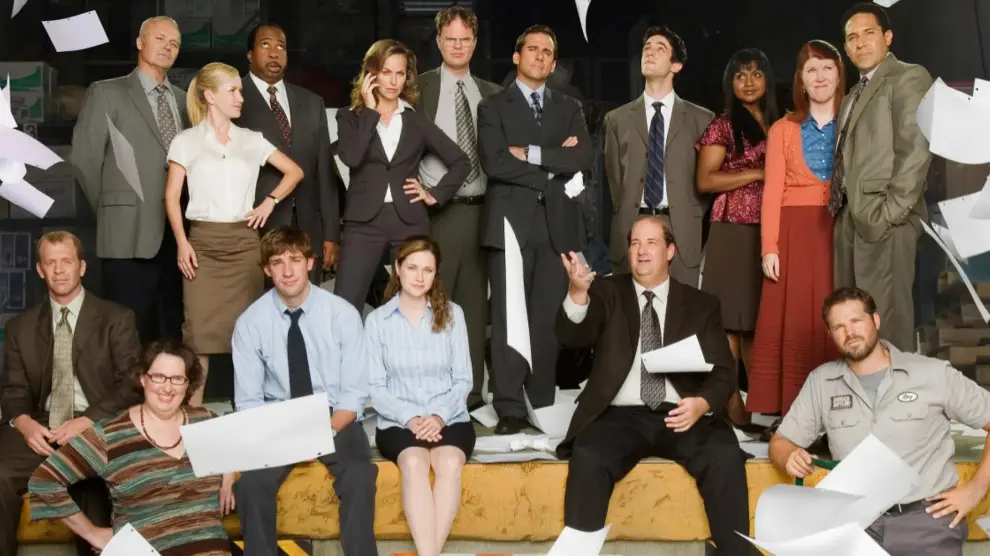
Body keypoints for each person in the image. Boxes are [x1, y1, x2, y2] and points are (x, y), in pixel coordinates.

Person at [554, 216, 755, 556]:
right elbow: (573, 337)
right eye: (635, 243)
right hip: (620, 417)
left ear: (670, 251)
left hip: (683, 413)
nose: (641, 251)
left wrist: (702, 403)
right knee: (588, 456)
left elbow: (723, 372)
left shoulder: (701, 304)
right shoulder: (605, 292)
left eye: (651, 243)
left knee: (724, 455)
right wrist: (577, 292)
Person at [770, 287, 990, 555]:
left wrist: (975, 490)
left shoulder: (932, 373)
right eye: (839, 326)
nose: (849, 332)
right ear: (830, 334)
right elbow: (781, 442)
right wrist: (788, 456)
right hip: (856, 527)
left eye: (856, 321)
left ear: (875, 320)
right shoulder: (822, 382)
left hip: (927, 523)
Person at [231, 227, 377, 556]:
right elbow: (249, 403)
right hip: (277, 420)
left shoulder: (342, 314)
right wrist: (287, 435)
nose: (287, 271)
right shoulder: (250, 323)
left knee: (359, 476)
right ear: (267, 270)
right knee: (252, 484)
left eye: (295, 260)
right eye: (277, 262)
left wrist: (322, 434)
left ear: (310, 263)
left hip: (334, 418)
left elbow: (353, 396)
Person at [166, 62, 303, 406]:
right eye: (233, 91)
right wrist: (182, 242)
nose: (241, 97)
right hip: (202, 246)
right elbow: (171, 196)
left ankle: (251, 416)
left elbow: (294, 172)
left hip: (244, 246)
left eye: (240, 91)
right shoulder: (185, 141)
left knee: (250, 336)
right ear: (210, 96)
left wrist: (270, 201)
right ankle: (193, 419)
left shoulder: (251, 140)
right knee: (198, 338)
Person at [478, 25, 592, 434]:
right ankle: (510, 407)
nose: (540, 56)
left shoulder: (569, 106)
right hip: (510, 225)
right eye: (532, 49)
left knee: (546, 321)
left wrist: (528, 152)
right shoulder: (493, 106)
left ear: (554, 62)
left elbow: (582, 157)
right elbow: (495, 162)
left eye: (547, 52)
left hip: (556, 226)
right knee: (509, 317)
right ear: (516, 56)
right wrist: (550, 170)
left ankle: (540, 402)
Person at [0, 231, 141, 556]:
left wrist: (89, 420)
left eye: (66, 261)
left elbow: (132, 385)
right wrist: (23, 422)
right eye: (51, 263)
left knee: (93, 489)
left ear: (82, 266)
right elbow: (13, 388)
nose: (59, 270)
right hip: (42, 429)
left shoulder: (117, 319)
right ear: (40, 270)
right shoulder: (20, 327)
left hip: (97, 428)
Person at [28, 340, 235, 556]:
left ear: (188, 384)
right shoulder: (110, 435)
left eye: (177, 379)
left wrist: (228, 474)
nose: (167, 387)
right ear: (143, 379)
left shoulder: (205, 422)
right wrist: (92, 533)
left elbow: (237, 445)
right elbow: (44, 480)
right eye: (158, 377)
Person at [70, 16, 187, 344]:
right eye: (160, 38)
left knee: (172, 329)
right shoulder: (107, 92)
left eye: (174, 43)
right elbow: (85, 159)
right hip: (127, 231)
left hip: (178, 234)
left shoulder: (184, 100)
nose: (167, 46)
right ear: (139, 42)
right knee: (127, 333)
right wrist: (112, 208)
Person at [334, 39, 471, 313]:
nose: (394, 81)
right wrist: (370, 112)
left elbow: (461, 161)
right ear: (371, 74)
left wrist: (433, 194)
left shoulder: (415, 119)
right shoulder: (350, 117)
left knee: (414, 305)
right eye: (386, 72)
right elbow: (352, 157)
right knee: (344, 307)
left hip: (409, 220)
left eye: (400, 73)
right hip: (363, 222)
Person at [747, 40, 845, 419]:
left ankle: (837, 410)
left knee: (835, 312)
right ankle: (790, 412)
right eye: (811, 69)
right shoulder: (782, 130)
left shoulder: (853, 121)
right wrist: (769, 247)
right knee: (793, 318)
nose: (820, 77)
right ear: (800, 80)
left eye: (827, 68)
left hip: (840, 230)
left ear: (839, 76)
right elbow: (772, 192)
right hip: (793, 233)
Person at [831, 3, 933, 352]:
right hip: (850, 222)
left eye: (868, 33)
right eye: (852, 38)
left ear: (888, 37)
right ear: (846, 48)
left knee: (888, 324)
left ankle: (897, 389)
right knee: (853, 327)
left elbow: (915, 149)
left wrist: (889, 214)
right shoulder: (851, 95)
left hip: (885, 221)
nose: (860, 43)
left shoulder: (908, 77)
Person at [366, 236, 474, 556]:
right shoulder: (377, 321)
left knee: (449, 463)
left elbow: (464, 380)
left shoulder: (453, 314)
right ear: (398, 268)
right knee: (414, 463)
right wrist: (411, 419)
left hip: (449, 416)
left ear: (435, 273)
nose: (419, 276)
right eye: (412, 267)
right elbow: (375, 388)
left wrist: (438, 416)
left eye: (428, 270)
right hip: (398, 421)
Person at [418, 6, 502, 410]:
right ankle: (432, 390)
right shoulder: (418, 88)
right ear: (438, 41)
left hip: (484, 210)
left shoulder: (493, 92)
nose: (457, 46)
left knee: (473, 307)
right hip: (439, 212)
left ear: (474, 43)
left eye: (465, 40)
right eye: (450, 39)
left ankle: (470, 393)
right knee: (435, 302)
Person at [696, 48, 778, 426]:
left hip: (770, 231)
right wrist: (758, 174)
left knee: (758, 323)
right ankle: (730, 404)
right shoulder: (723, 125)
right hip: (731, 230)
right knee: (729, 322)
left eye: (756, 74)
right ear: (730, 83)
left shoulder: (781, 123)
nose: (748, 82)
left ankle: (760, 402)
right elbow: (705, 180)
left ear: (768, 80)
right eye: (740, 75)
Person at [604, 25, 714, 285]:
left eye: (660, 49)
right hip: (632, 225)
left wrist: (688, 211)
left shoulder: (702, 120)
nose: (650, 53)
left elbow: (706, 184)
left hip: (681, 229)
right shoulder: (616, 120)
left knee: (680, 307)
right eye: (646, 48)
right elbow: (614, 183)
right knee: (630, 307)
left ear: (676, 65)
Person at [235, 23, 342, 280]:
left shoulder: (312, 102)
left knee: (307, 301)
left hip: (309, 229)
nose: (274, 53)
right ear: (249, 55)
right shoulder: (234, 98)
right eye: (265, 45)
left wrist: (331, 234)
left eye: (280, 46)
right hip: (256, 227)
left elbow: (324, 172)